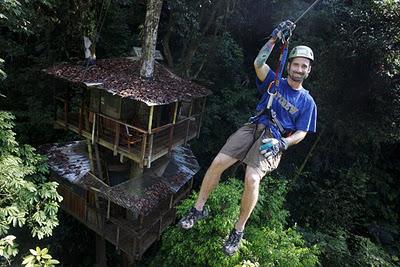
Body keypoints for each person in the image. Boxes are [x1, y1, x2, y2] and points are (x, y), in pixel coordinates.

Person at [178, 20, 317, 256]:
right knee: (218, 163)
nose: (300, 69)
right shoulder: (275, 81)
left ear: (308, 70)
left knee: (252, 178)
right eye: (296, 64)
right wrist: (274, 39)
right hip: (255, 126)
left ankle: (238, 230)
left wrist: (283, 142)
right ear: (290, 65)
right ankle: (198, 208)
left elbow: (302, 133)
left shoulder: (307, 102)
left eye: (304, 66)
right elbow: (258, 63)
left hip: (273, 138)